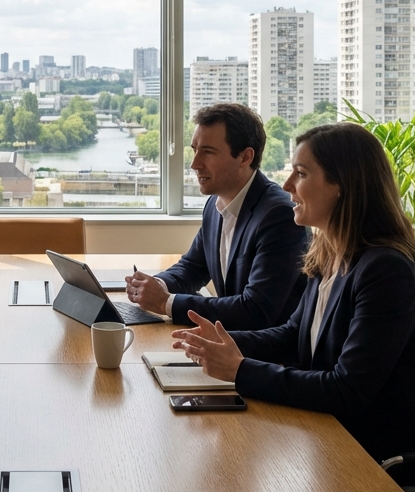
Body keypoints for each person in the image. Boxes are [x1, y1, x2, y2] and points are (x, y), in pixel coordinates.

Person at [172, 120, 415, 492]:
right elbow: (294, 336)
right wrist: (220, 344)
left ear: (343, 185)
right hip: (344, 445)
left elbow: (346, 390)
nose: (288, 184)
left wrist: (239, 369)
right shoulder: (330, 250)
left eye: (302, 173)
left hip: (397, 471)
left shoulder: (386, 271)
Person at [125, 103, 307, 329]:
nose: (194, 164)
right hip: (229, 343)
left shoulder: (278, 216)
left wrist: (166, 303)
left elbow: (256, 310)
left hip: (267, 355)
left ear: (245, 157)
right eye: (194, 150)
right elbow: (192, 267)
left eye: (208, 152)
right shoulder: (215, 203)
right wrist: (156, 285)